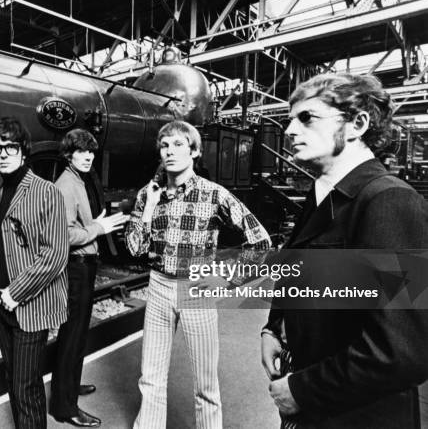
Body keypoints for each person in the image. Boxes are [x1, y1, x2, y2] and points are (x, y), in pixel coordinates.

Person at [261, 73, 428, 428]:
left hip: (357, 416)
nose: (290, 130)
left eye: (306, 117)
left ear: (357, 124)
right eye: (290, 118)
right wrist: (274, 327)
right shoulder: (323, 193)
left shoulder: (390, 201)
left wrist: (303, 390)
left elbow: (402, 351)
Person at [126, 120, 271, 429]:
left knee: (205, 385)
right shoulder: (147, 194)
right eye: (165, 146)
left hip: (196, 289)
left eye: (178, 145)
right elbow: (135, 249)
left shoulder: (213, 194)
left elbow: (260, 241)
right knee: (150, 378)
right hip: (159, 286)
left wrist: (227, 279)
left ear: (194, 151)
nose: (169, 152)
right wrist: (150, 207)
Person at [0, 117, 68, 429]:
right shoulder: (0, 195)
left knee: (25, 387)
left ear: (23, 151)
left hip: (29, 306)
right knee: (14, 382)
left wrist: (14, 293)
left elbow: (55, 255)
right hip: (2, 306)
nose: (3, 154)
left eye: (10, 147)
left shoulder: (46, 192)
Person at [50, 129, 129, 427]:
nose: (88, 157)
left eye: (91, 152)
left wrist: (96, 225)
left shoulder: (76, 180)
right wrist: (98, 227)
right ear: (69, 154)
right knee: (72, 334)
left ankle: (69, 386)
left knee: (78, 332)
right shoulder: (66, 186)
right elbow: (65, 234)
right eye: (82, 151)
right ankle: (64, 406)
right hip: (76, 267)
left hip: (84, 265)